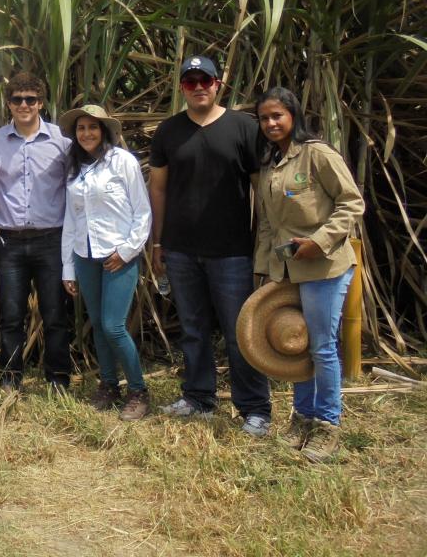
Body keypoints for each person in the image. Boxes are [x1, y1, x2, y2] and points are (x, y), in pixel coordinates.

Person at [149, 55, 272, 436]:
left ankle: (255, 408)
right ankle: (199, 397)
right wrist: (157, 242)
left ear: (219, 84)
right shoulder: (168, 131)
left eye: (206, 80)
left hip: (232, 250)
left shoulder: (243, 127)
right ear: (182, 87)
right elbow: (158, 188)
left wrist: (264, 245)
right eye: (190, 81)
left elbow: (262, 190)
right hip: (181, 249)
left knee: (241, 331)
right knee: (193, 327)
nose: (199, 86)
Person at [254, 87, 364, 462]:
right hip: (288, 271)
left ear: (292, 116)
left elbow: (352, 202)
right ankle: (301, 419)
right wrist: (266, 271)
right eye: (265, 118)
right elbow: (268, 224)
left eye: (277, 116)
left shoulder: (317, 153)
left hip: (325, 266)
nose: (271, 123)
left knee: (321, 345)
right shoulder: (270, 164)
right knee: (299, 347)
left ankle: (327, 426)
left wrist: (320, 241)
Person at [0, 72, 71, 392]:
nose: (24, 105)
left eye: (30, 99)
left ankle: (58, 379)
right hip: (11, 242)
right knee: (11, 314)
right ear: (8, 104)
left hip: (51, 240)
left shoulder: (62, 142)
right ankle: (10, 378)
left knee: (55, 313)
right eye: (17, 99)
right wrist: (7, 217)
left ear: (41, 103)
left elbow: (70, 188)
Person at [59, 105, 152, 420]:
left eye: (92, 127)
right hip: (85, 256)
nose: (86, 133)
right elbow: (70, 221)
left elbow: (142, 211)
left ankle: (138, 390)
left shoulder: (122, 162)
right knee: (97, 324)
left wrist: (126, 251)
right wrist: (67, 268)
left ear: (104, 130)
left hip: (117, 256)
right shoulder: (74, 168)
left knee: (113, 326)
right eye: (81, 128)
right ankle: (109, 385)